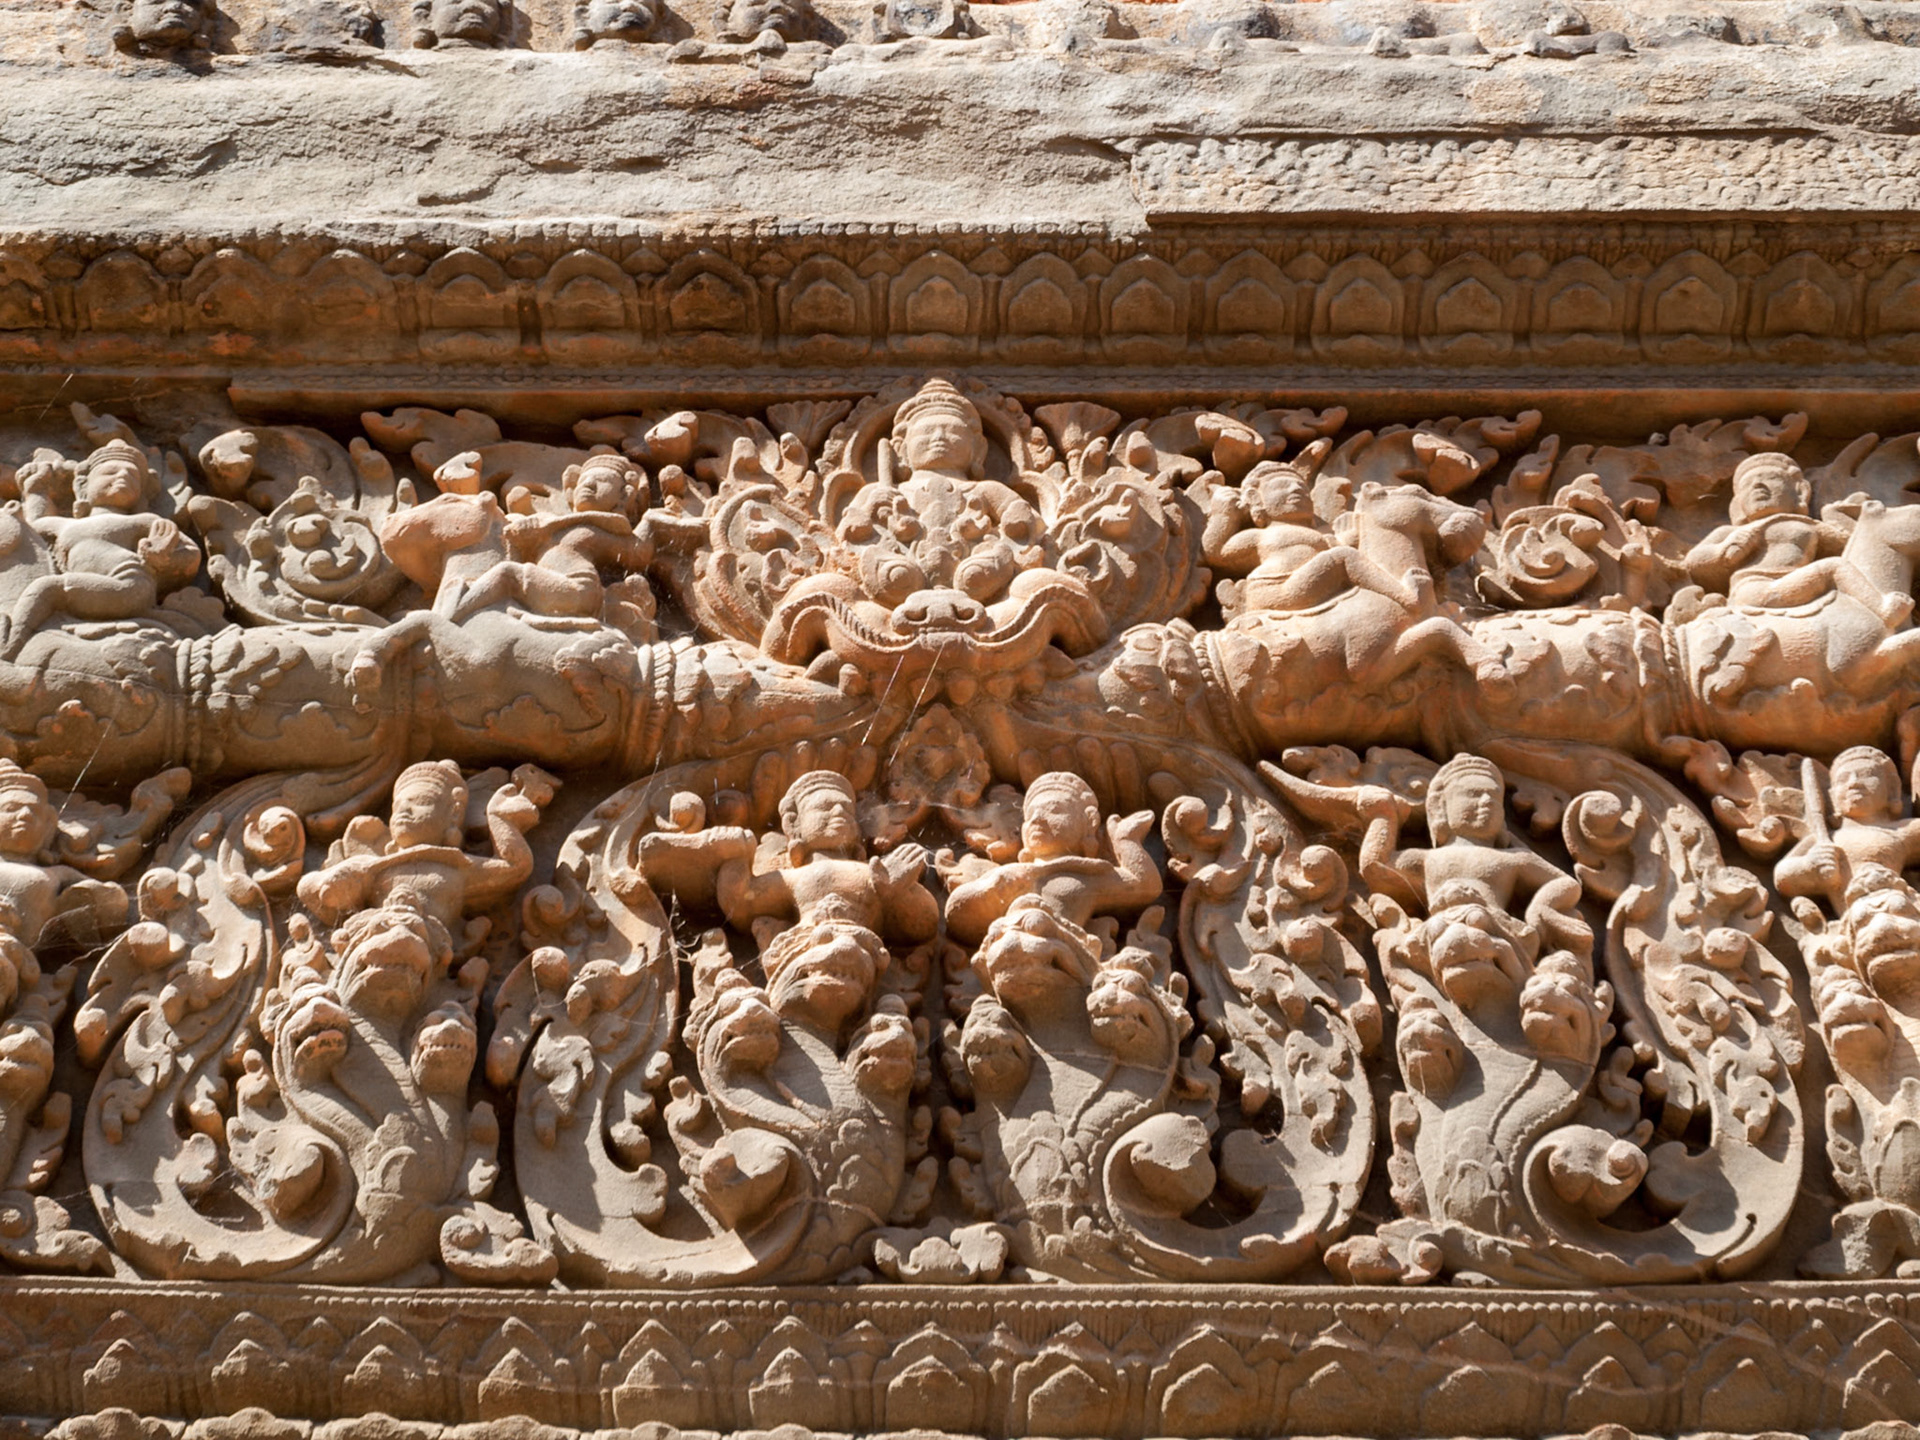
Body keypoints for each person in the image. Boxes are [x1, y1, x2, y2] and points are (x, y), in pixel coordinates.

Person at [3, 440, 199, 659]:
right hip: (91, 585)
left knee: (47, 588)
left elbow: (190, 552)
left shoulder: (143, 520)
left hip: (130, 584)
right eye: (111, 472)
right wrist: (36, 489)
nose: (123, 476)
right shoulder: (65, 525)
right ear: (83, 487)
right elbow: (32, 529)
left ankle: (11, 646)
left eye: (133, 476)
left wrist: (162, 557)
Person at [1686, 452, 1910, 626]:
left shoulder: (1807, 526)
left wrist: (1836, 514)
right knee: (1834, 567)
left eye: (1770, 479)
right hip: (1754, 590)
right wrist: (1724, 550)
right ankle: (1882, 610)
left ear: (1799, 491)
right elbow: (1693, 561)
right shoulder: (1730, 532)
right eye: (1748, 484)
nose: (1757, 486)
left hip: (1798, 586)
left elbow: (1856, 543)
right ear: (1738, 503)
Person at [943, 772, 1160, 945]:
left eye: (1055, 810)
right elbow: (957, 915)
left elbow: (1144, 885)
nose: (1038, 819)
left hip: (1063, 954)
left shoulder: (1087, 876)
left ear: (1087, 825)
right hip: (1010, 950)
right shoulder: (1011, 875)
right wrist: (991, 890)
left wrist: (1126, 840)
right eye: (1030, 816)